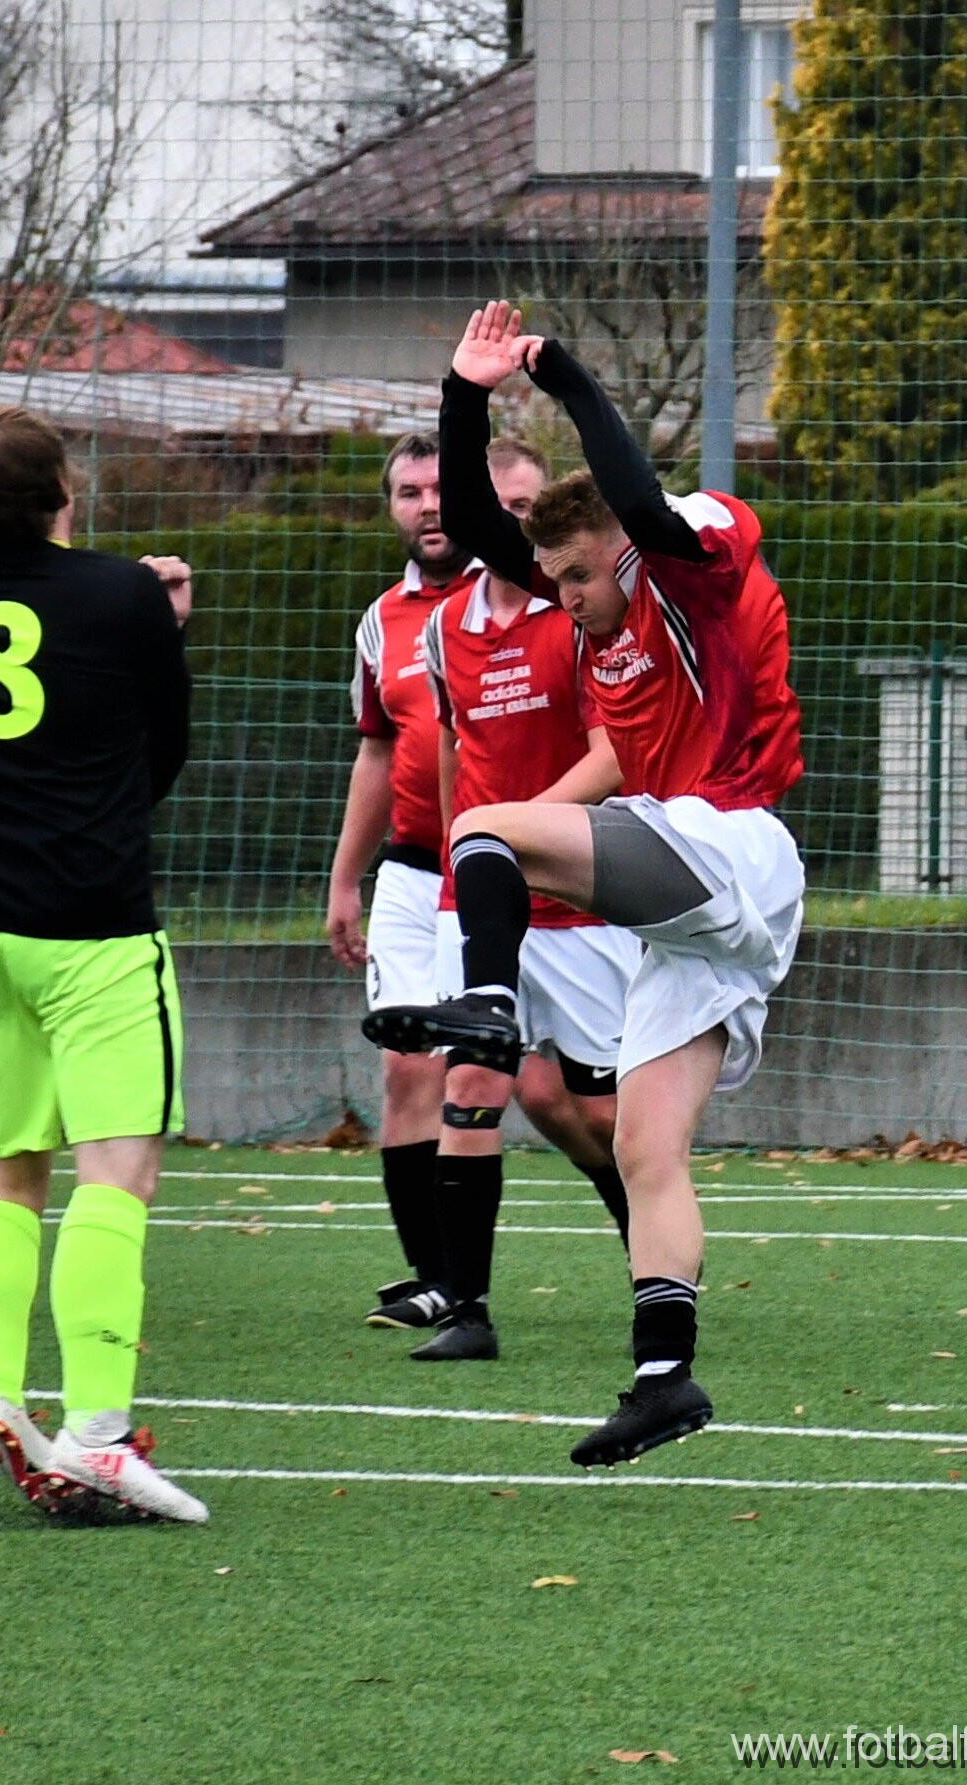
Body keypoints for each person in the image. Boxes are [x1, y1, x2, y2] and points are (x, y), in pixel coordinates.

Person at [367, 302, 804, 1465]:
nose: (560, 596)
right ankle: (665, 1378)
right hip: (693, 909)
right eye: (548, 577)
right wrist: (465, 394)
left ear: (616, 550)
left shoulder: (685, 561)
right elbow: (479, 526)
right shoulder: (586, 592)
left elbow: (642, 505)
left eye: (573, 575)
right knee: (644, 1149)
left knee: (485, 833)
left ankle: (488, 1001)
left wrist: (559, 373)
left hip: (728, 841)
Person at [0, 405, 204, 1524]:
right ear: (62, 490)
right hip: (91, 923)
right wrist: (162, 619)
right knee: (116, 1174)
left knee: (7, 1170)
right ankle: (98, 1433)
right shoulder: (123, 594)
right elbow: (165, 739)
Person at [396, 510, 643, 1365]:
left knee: (595, 1109)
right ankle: (468, 1312)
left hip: (574, 899)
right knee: (471, 1083)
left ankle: (653, 1252)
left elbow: (614, 754)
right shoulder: (442, 625)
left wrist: (514, 832)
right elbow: (449, 747)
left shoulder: (577, 616)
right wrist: (462, 854)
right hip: (473, 901)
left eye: (523, 507)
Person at [327, 434, 487, 1324]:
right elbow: (377, 753)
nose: (427, 506)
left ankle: (649, 1245)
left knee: (562, 1096)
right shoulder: (379, 621)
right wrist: (343, 880)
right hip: (412, 870)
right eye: (408, 492)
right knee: (405, 1068)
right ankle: (437, 1277)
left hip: (501, 874)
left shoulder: (515, 596)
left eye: (439, 488)